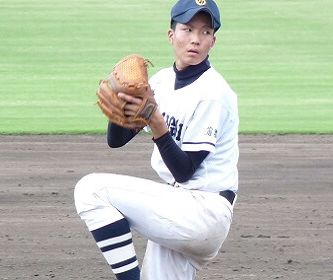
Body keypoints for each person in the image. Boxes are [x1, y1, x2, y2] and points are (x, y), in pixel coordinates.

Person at [73, 0, 238, 279]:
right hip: (180, 211)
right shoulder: (160, 82)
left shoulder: (214, 92)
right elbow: (117, 141)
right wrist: (121, 106)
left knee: (91, 190)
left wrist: (156, 122)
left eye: (205, 32)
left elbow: (184, 171)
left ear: (213, 41)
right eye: (187, 29)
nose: (195, 39)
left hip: (204, 211)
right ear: (171, 35)